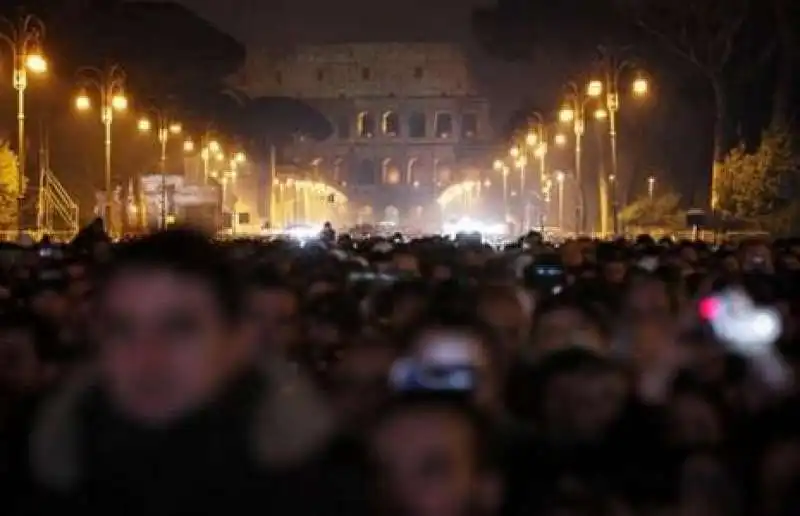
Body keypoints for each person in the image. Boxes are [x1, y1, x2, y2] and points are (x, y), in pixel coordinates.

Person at [25, 229, 337, 516]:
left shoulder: (320, 487)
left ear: (238, 340)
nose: (148, 357)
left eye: (179, 329)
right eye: (122, 330)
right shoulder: (41, 471)